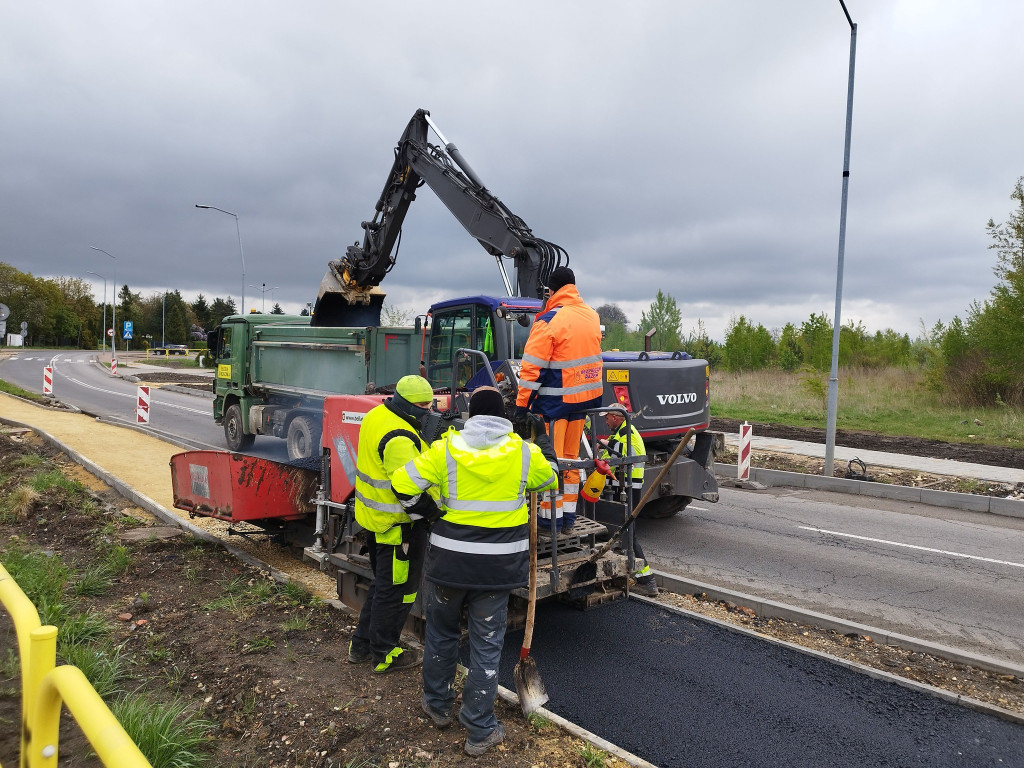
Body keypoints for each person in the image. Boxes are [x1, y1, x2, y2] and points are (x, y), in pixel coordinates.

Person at [391, 386, 559, 756]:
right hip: (495, 571)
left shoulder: (446, 449)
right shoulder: (523, 453)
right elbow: (551, 479)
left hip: (449, 565)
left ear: (471, 415)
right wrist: (542, 441)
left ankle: (437, 706)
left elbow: (401, 485)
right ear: (504, 417)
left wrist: (429, 512)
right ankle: (480, 730)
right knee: (486, 646)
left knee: (441, 633)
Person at [348, 374, 439, 674]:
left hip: (376, 522)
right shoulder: (400, 438)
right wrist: (433, 514)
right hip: (400, 528)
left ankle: (361, 645)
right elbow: (408, 494)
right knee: (398, 591)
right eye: (424, 405)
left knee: (383, 586)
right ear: (409, 404)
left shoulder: (377, 414)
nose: (429, 410)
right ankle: (385, 653)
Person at [514, 266, 603, 534]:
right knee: (571, 460)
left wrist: (521, 407)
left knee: (550, 463)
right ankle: (567, 520)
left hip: (552, 407)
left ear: (551, 290)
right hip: (583, 403)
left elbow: (531, 370)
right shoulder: (591, 315)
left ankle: (547, 521)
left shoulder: (549, 320)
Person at [598, 406, 659, 597]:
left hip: (628, 490)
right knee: (619, 533)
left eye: (607, 418)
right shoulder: (622, 432)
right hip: (624, 489)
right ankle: (624, 574)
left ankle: (647, 581)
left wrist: (603, 446)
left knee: (628, 535)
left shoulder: (626, 434)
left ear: (616, 418)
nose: (606, 421)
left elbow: (619, 454)